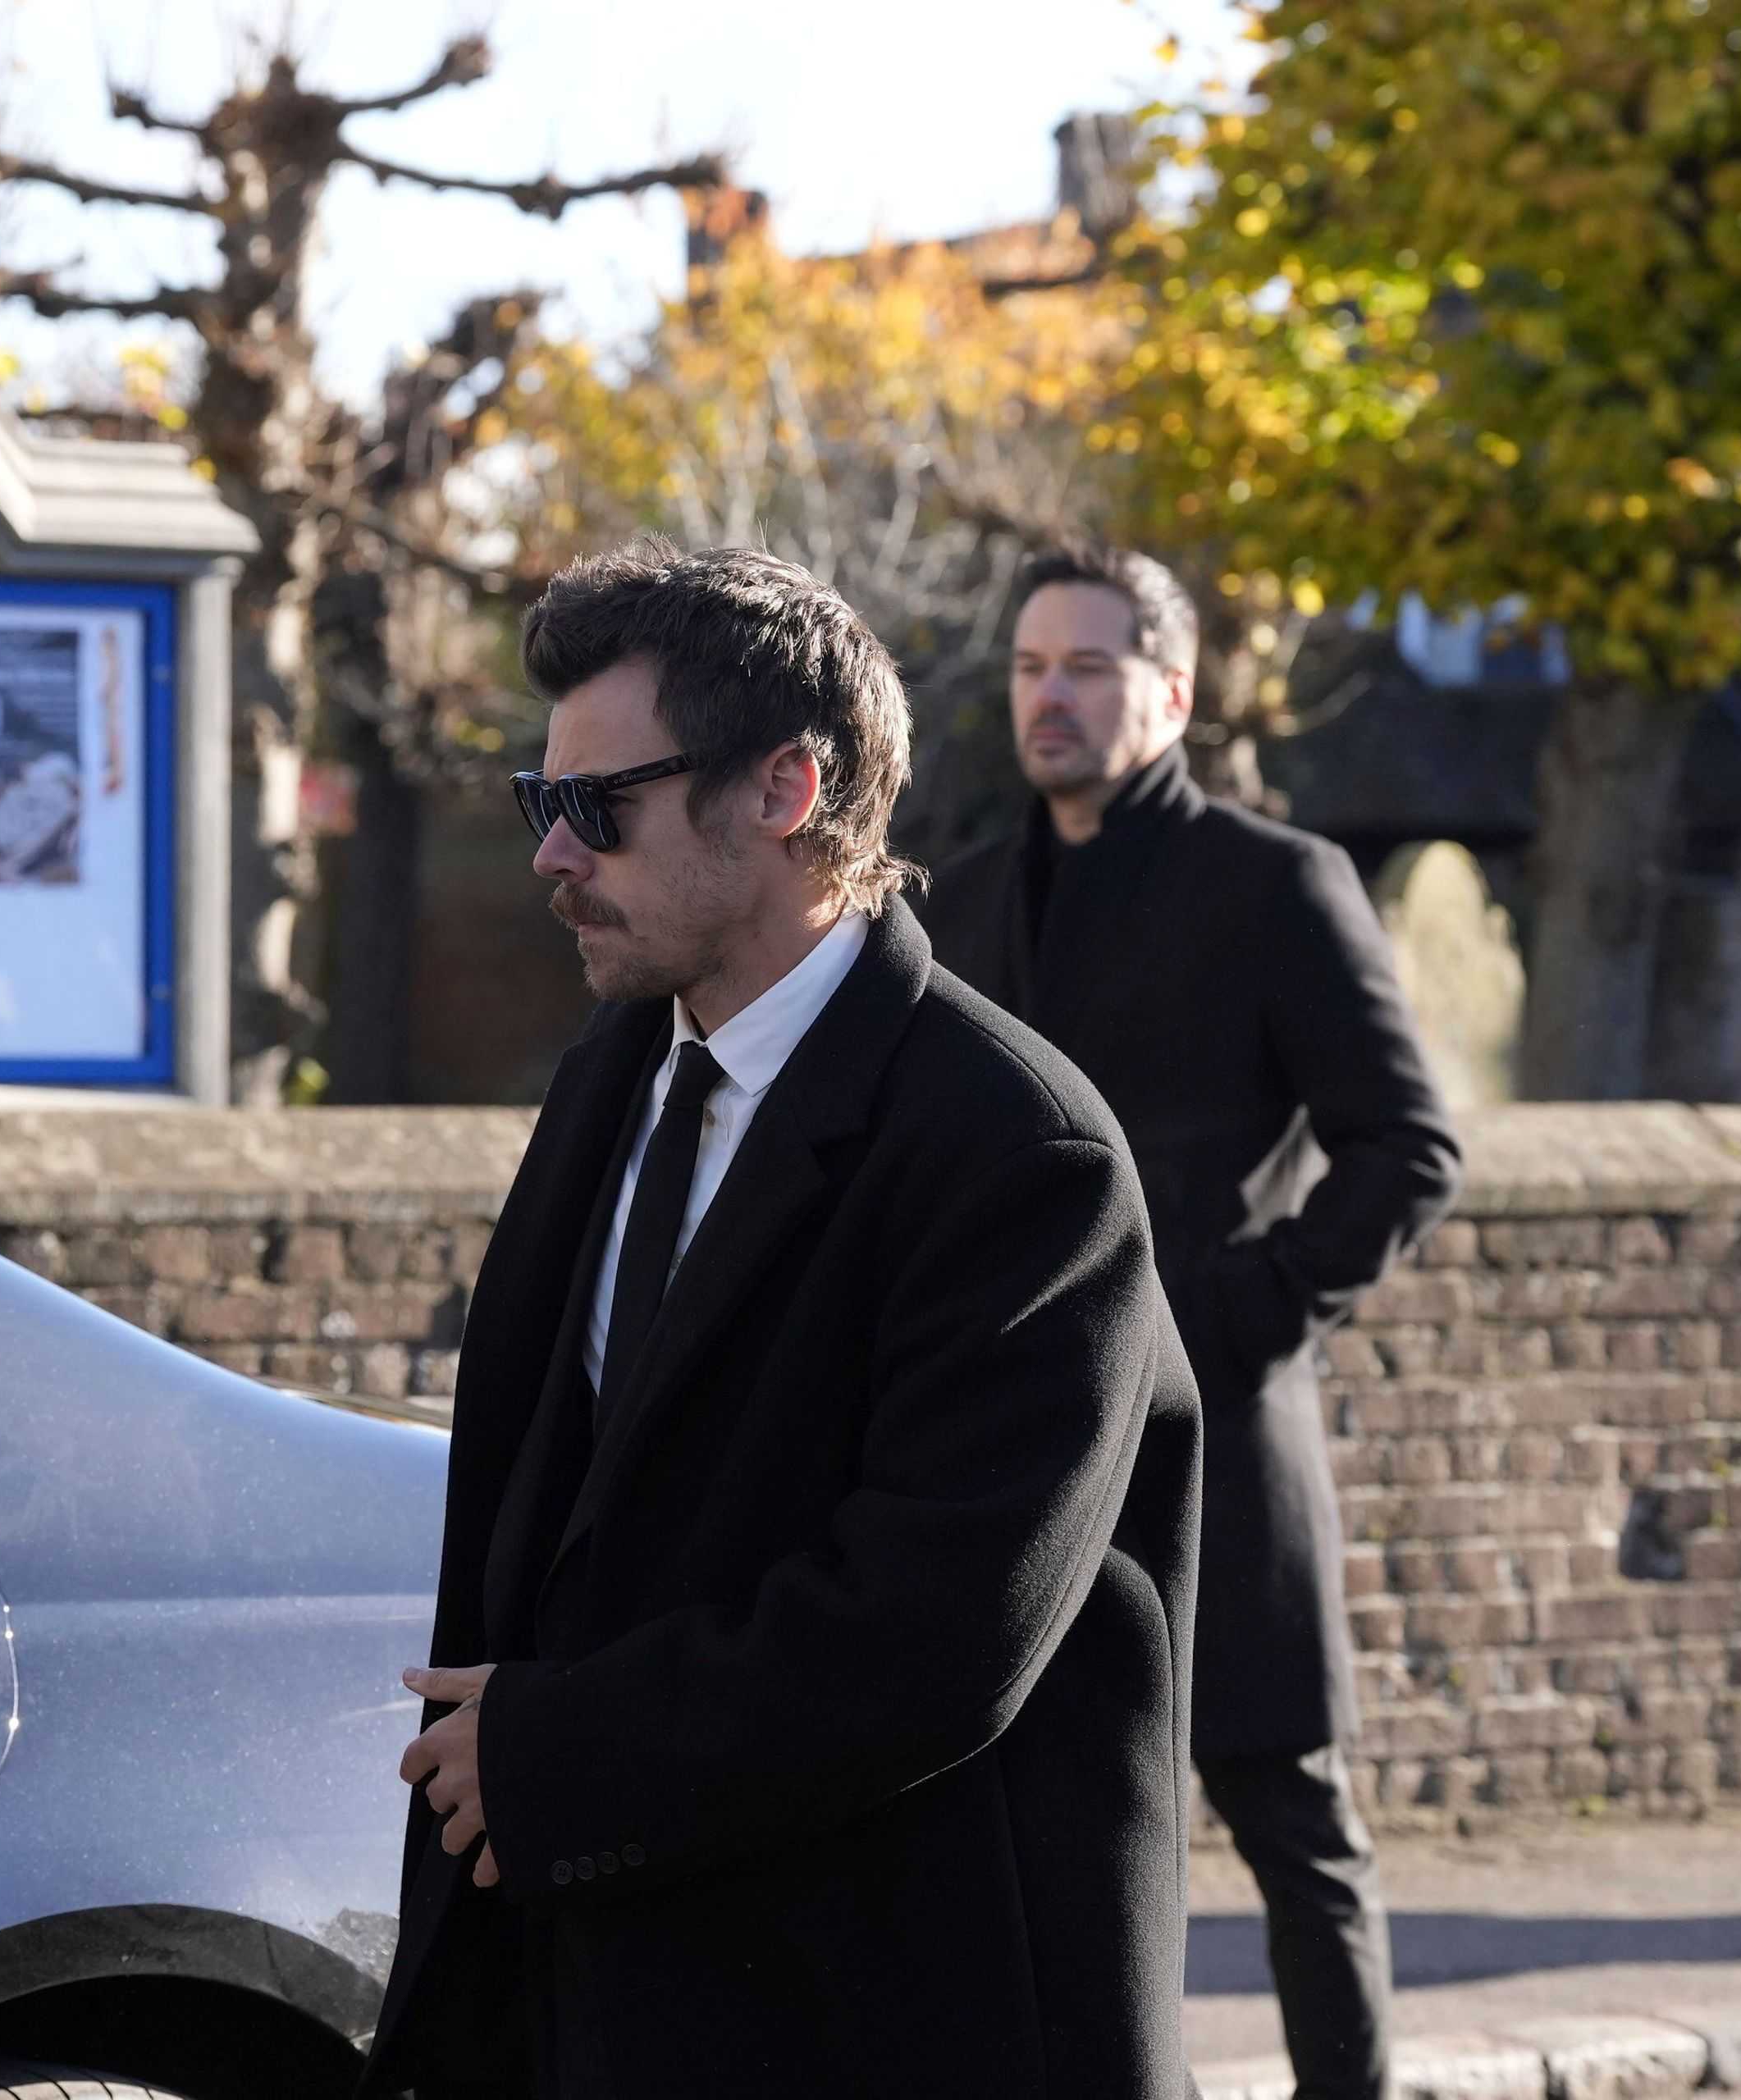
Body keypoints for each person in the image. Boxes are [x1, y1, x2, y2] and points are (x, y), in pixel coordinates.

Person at [363, 541, 1202, 2099]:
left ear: (785, 791)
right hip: (604, 1982)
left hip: (886, 2012)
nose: (553, 857)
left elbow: (946, 1623)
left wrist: (563, 1755)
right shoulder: (614, 1074)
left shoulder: (1017, 1149)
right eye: (539, 804)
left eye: (597, 808)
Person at [921, 545, 1462, 2100]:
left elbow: (1408, 1147)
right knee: (1057, 1847)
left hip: (1223, 1431)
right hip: (1031, 1450)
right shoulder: (958, 899)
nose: (1053, 696)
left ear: (1172, 690)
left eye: (1089, 667)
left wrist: (1245, 1308)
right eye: (1031, 668)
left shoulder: (1277, 884)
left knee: (1296, 1827)